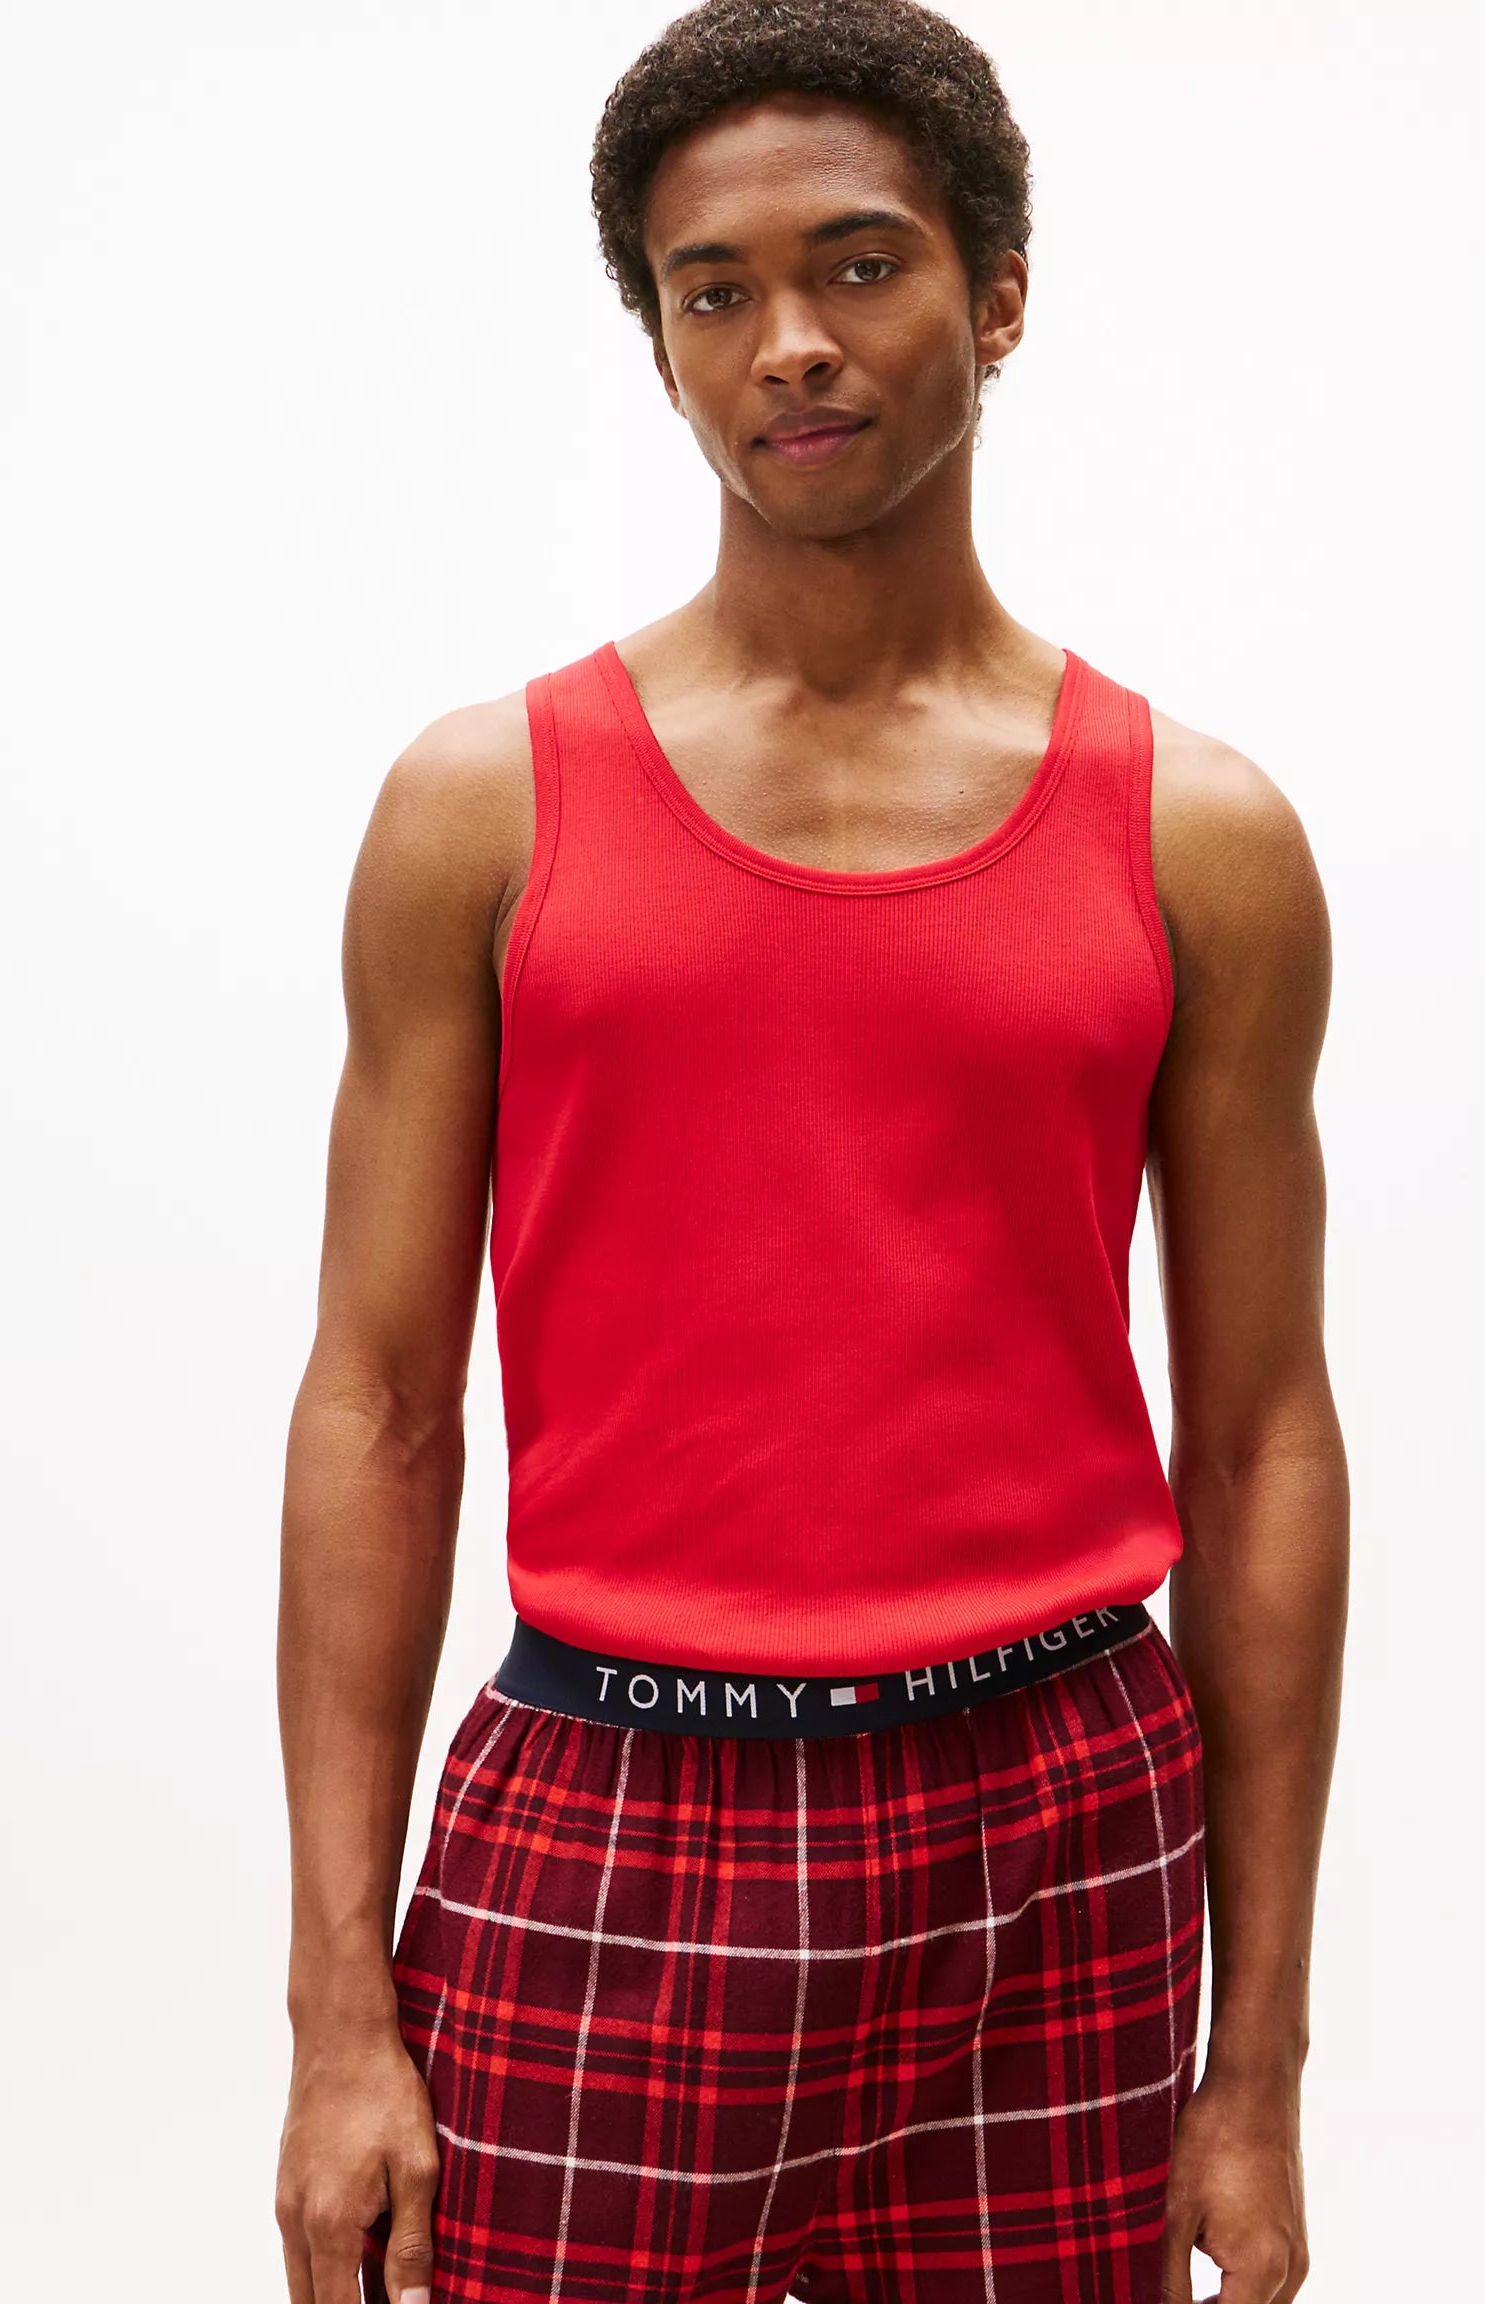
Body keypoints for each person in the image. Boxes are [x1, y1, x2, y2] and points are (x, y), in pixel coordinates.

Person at [273, 3, 1348, 2299]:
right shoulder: (482, 812)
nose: (789, 343)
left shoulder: (1201, 840)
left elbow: (1264, 1441)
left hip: (1061, 1825)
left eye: (860, 265)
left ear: (1000, 291)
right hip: (617, 1815)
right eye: (715, 290)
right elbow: (377, 1409)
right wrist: (336, 2014)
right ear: (662, 344)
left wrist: (1255, 2066)